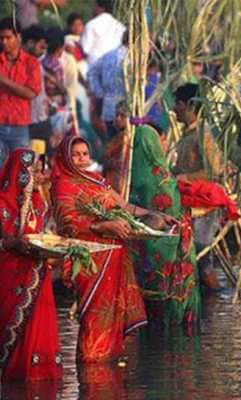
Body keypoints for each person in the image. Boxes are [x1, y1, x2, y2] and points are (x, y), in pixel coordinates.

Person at [51, 135, 164, 363]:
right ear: (65, 157)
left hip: (115, 253)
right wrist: (103, 225)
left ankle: (109, 360)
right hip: (91, 256)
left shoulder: (97, 180)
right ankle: (91, 362)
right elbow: (67, 223)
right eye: (76, 154)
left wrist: (155, 215)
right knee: (95, 313)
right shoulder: (62, 184)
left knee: (114, 313)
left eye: (85, 153)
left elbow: (124, 206)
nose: (82, 159)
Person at [130, 124, 201, 330]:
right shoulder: (163, 178)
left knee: (151, 302)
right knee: (172, 302)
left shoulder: (132, 179)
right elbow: (172, 212)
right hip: (170, 247)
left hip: (147, 247)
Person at [0, 149, 61, 383]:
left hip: (37, 275)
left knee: (40, 329)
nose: (40, 176)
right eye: (34, 171)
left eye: (40, 171)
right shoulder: (3, 204)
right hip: (11, 275)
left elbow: (43, 237)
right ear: (21, 175)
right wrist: (14, 242)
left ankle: (40, 381)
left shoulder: (38, 203)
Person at [171, 83, 225, 291]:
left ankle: (216, 300)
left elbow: (215, 170)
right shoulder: (187, 134)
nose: (174, 109)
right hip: (190, 201)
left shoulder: (204, 132)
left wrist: (186, 176)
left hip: (205, 203)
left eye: (177, 103)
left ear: (187, 105)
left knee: (202, 255)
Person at [0, 18, 41, 165]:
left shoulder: (31, 63)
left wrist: (3, 80)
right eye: (1, 38)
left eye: (8, 37)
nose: (4, 42)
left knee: (22, 169)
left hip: (20, 125)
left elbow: (31, 93)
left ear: (18, 37)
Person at [87, 32, 126, 140]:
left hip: (108, 107)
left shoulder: (109, 55)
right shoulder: (135, 58)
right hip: (127, 111)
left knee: (111, 145)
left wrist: (100, 93)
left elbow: (91, 72)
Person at [81, 0, 126, 68]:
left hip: (95, 67)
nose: (93, 9)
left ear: (101, 8)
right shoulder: (121, 27)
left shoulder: (91, 25)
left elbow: (85, 49)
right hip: (115, 66)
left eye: (95, 6)